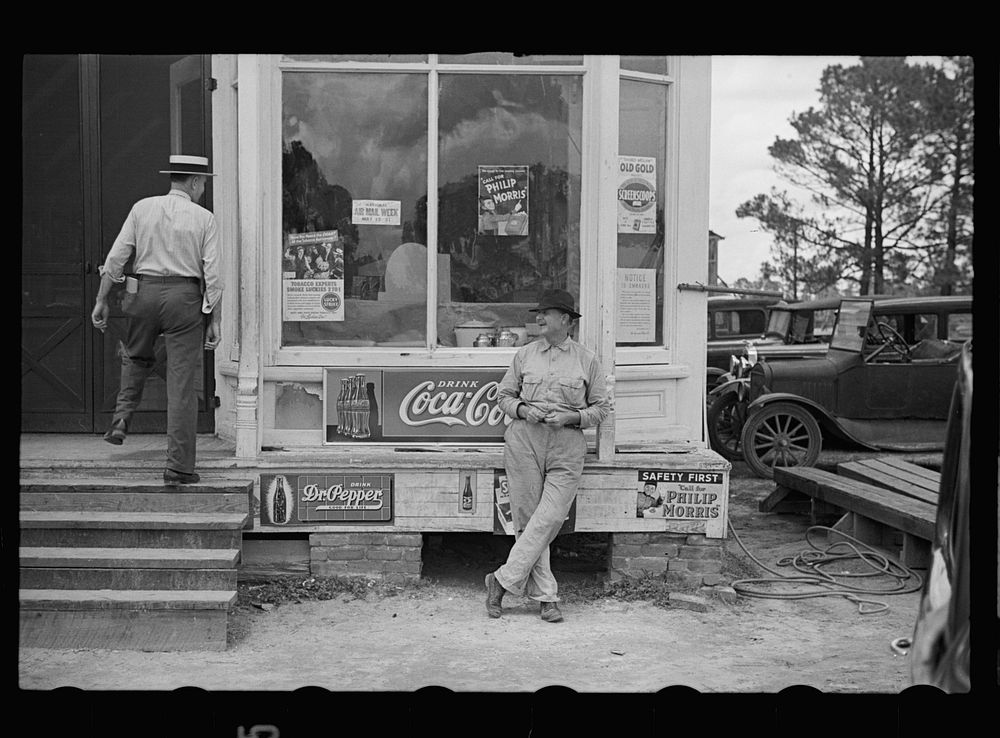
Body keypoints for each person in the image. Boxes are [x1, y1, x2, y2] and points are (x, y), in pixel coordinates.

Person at [91, 154, 222, 485]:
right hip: (184, 298)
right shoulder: (204, 218)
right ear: (193, 182)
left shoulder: (142, 208)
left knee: (135, 357)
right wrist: (214, 318)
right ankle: (178, 467)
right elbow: (214, 275)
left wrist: (101, 298)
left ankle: (121, 419)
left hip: (145, 293)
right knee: (180, 385)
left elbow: (117, 258)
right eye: (203, 182)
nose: (204, 188)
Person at [486, 288, 610, 623]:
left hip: (567, 446)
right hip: (525, 441)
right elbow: (504, 397)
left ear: (566, 320)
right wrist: (524, 410)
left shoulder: (587, 359)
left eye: (546, 313)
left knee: (551, 517)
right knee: (528, 522)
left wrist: (571, 417)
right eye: (538, 314)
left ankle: (500, 580)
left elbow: (601, 408)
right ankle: (547, 598)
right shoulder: (525, 355)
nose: (539, 319)